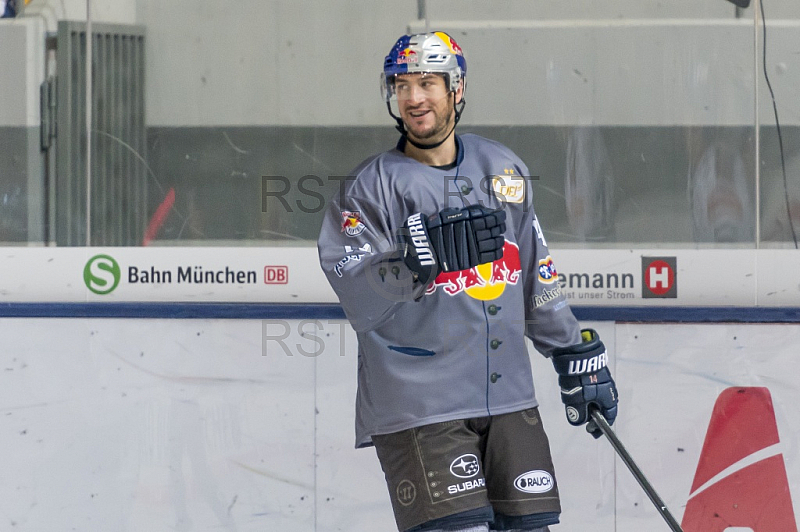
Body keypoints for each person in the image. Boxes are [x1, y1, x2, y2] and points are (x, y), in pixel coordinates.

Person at [317, 32, 618, 532]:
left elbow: (534, 274)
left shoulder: (502, 167)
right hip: (420, 406)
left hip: (509, 399)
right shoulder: (370, 188)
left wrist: (572, 354)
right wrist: (410, 264)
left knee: (531, 527)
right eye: (403, 85)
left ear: (457, 89)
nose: (414, 98)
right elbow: (353, 288)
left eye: (428, 83)